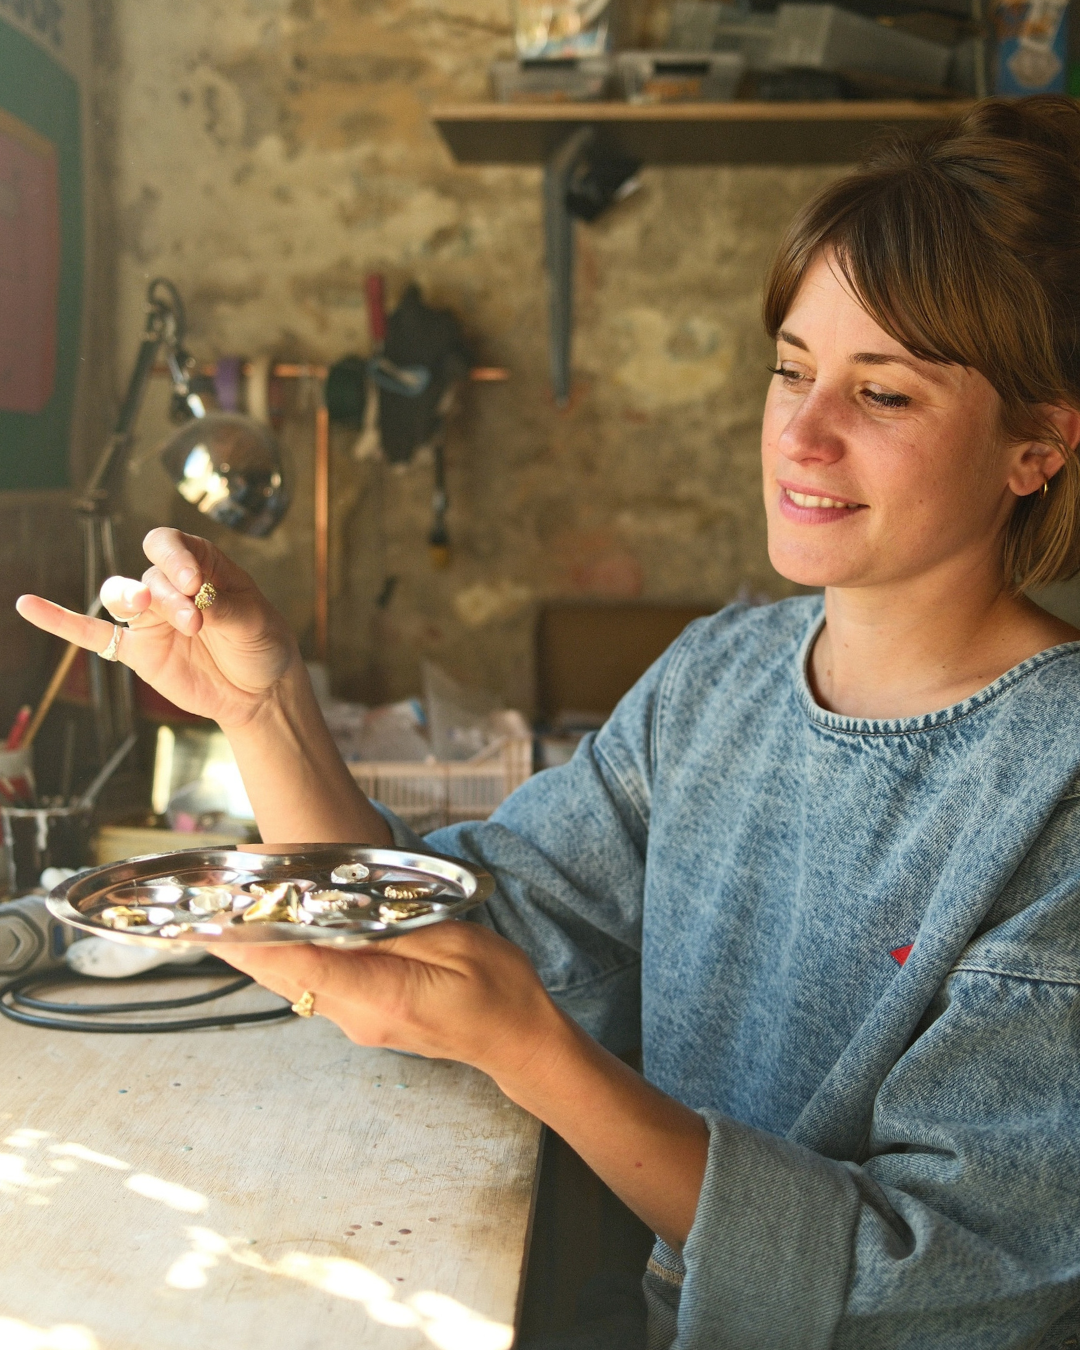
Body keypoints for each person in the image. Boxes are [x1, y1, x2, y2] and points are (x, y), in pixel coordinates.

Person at [19, 95, 1080, 1347]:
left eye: (884, 394)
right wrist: (264, 707)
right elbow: (459, 920)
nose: (800, 431)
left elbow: (947, 1283)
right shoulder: (717, 679)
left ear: (1037, 448)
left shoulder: (1051, 787)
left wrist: (535, 1055)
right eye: (792, 366)